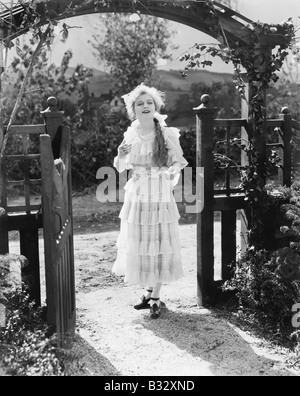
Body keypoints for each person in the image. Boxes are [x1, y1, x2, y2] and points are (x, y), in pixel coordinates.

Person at [112, 84, 188, 319]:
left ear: (156, 106)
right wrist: (121, 154)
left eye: (149, 103)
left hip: (159, 192)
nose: (145, 106)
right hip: (137, 193)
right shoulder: (131, 133)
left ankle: (155, 297)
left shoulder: (166, 133)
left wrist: (169, 172)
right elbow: (120, 167)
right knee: (143, 241)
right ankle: (148, 292)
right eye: (140, 103)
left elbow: (179, 161)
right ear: (133, 109)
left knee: (160, 240)